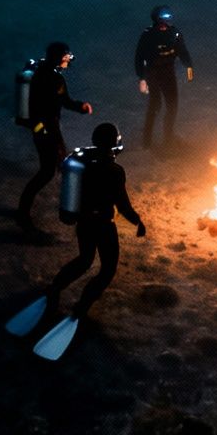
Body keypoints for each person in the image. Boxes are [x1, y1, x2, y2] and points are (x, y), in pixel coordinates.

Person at [48, 122, 146, 317]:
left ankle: (55, 288)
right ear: (113, 142)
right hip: (103, 225)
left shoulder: (83, 164)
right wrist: (137, 222)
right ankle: (82, 307)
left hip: (84, 222)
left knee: (85, 260)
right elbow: (122, 205)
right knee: (108, 269)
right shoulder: (114, 171)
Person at [17, 42, 92, 232]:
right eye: (66, 56)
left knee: (59, 166)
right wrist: (42, 131)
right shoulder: (50, 78)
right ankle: (23, 214)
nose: (68, 60)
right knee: (47, 172)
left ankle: (70, 207)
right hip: (46, 130)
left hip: (48, 128)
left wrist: (80, 107)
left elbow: (63, 101)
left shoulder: (48, 74)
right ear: (58, 58)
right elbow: (39, 106)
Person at [132, 5, 194, 148]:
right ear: (156, 20)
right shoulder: (148, 35)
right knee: (155, 105)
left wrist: (189, 66)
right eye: (163, 19)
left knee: (172, 105)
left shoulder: (175, 34)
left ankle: (168, 138)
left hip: (168, 72)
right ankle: (147, 142)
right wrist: (142, 78)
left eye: (168, 19)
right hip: (152, 72)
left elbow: (182, 51)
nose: (165, 23)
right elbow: (139, 57)